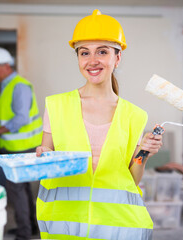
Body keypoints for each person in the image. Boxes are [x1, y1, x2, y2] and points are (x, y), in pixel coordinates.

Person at [35, 10, 163, 240]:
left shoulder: (134, 115)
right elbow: (47, 159)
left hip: (116, 227)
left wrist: (144, 152)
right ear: (78, 58)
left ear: (118, 57)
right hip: (65, 227)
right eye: (84, 53)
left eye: (102, 51)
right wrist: (44, 155)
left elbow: (131, 180)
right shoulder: (56, 105)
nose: (92, 60)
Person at [0, 46, 42, 240]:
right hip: (17, 147)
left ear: (5, 66)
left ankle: (24, 233)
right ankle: (31, 228)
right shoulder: (8, 86)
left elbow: (20, 119)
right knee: (22, 188)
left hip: (23, 147)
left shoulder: (19, 86)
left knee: (16, 190)